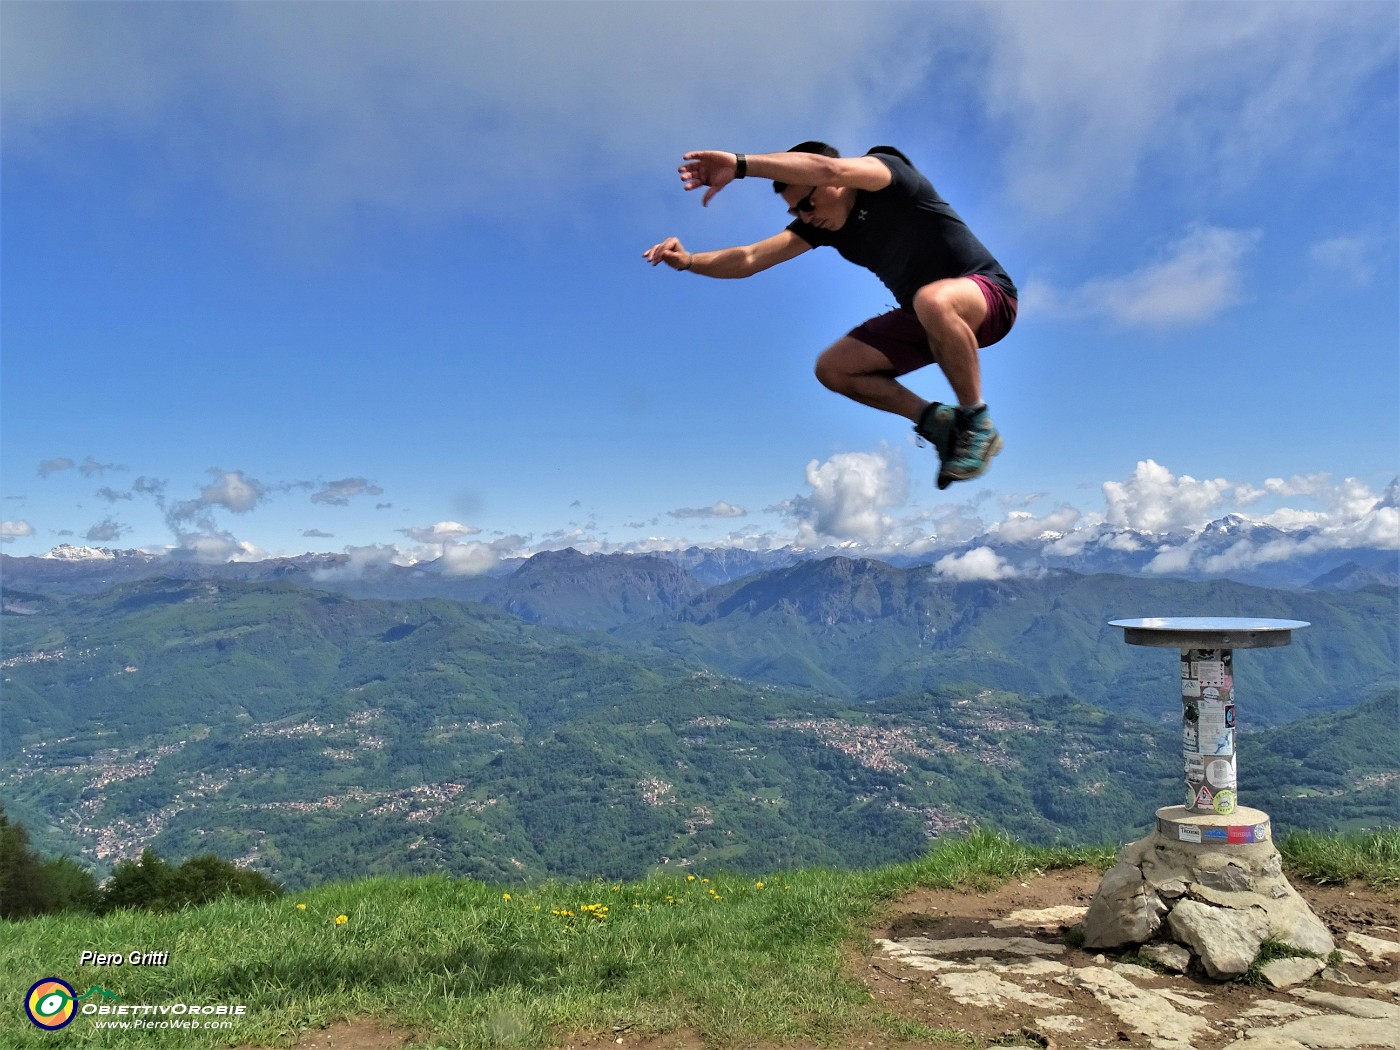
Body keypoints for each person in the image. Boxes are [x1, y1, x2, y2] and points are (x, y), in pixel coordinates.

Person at [643, 142, 1017, 489]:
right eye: (795, 212)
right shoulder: (824, 228)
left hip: (988, 297)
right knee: (833, 368)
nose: (804, 216)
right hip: (927, 318)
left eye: (807, 203)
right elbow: (750, 258)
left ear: (832, 186)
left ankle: (976, 419)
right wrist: (688, 262)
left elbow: (828, 169)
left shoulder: (889, 176)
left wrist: (741, 166)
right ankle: (940, 424)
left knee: (932, 301)